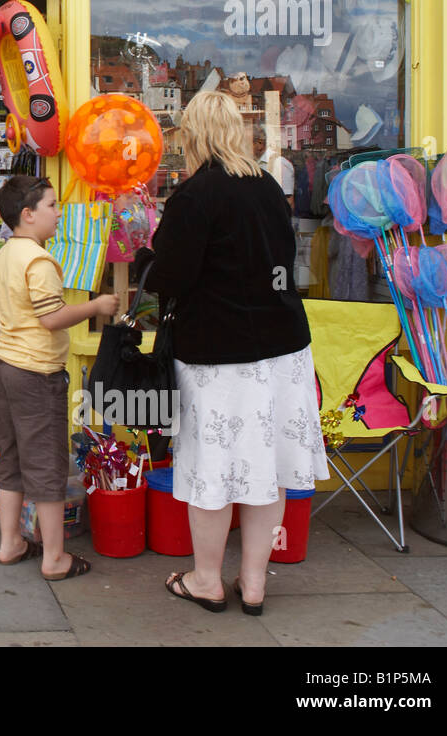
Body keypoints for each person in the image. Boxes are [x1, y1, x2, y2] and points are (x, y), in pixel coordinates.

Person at [135, 90, 328, 615]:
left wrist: (146, 256)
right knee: (269, 468)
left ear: (194, 135)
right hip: (283, 349)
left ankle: (205, 580)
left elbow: (171, 277)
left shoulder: (195, 196)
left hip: (219, 355)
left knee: (212, 471)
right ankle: (255, 584)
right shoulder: (267, 187)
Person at [0, 174, 120, 581]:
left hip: (3, 366)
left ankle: (10, 542)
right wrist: (97, 305)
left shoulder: (0, 257)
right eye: (52, 206)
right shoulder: (39, 261)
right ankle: (55, 558)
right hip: (36, 373)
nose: (59, 214)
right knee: (46, 464)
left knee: (10, 457)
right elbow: (51, 318)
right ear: (28, 215)